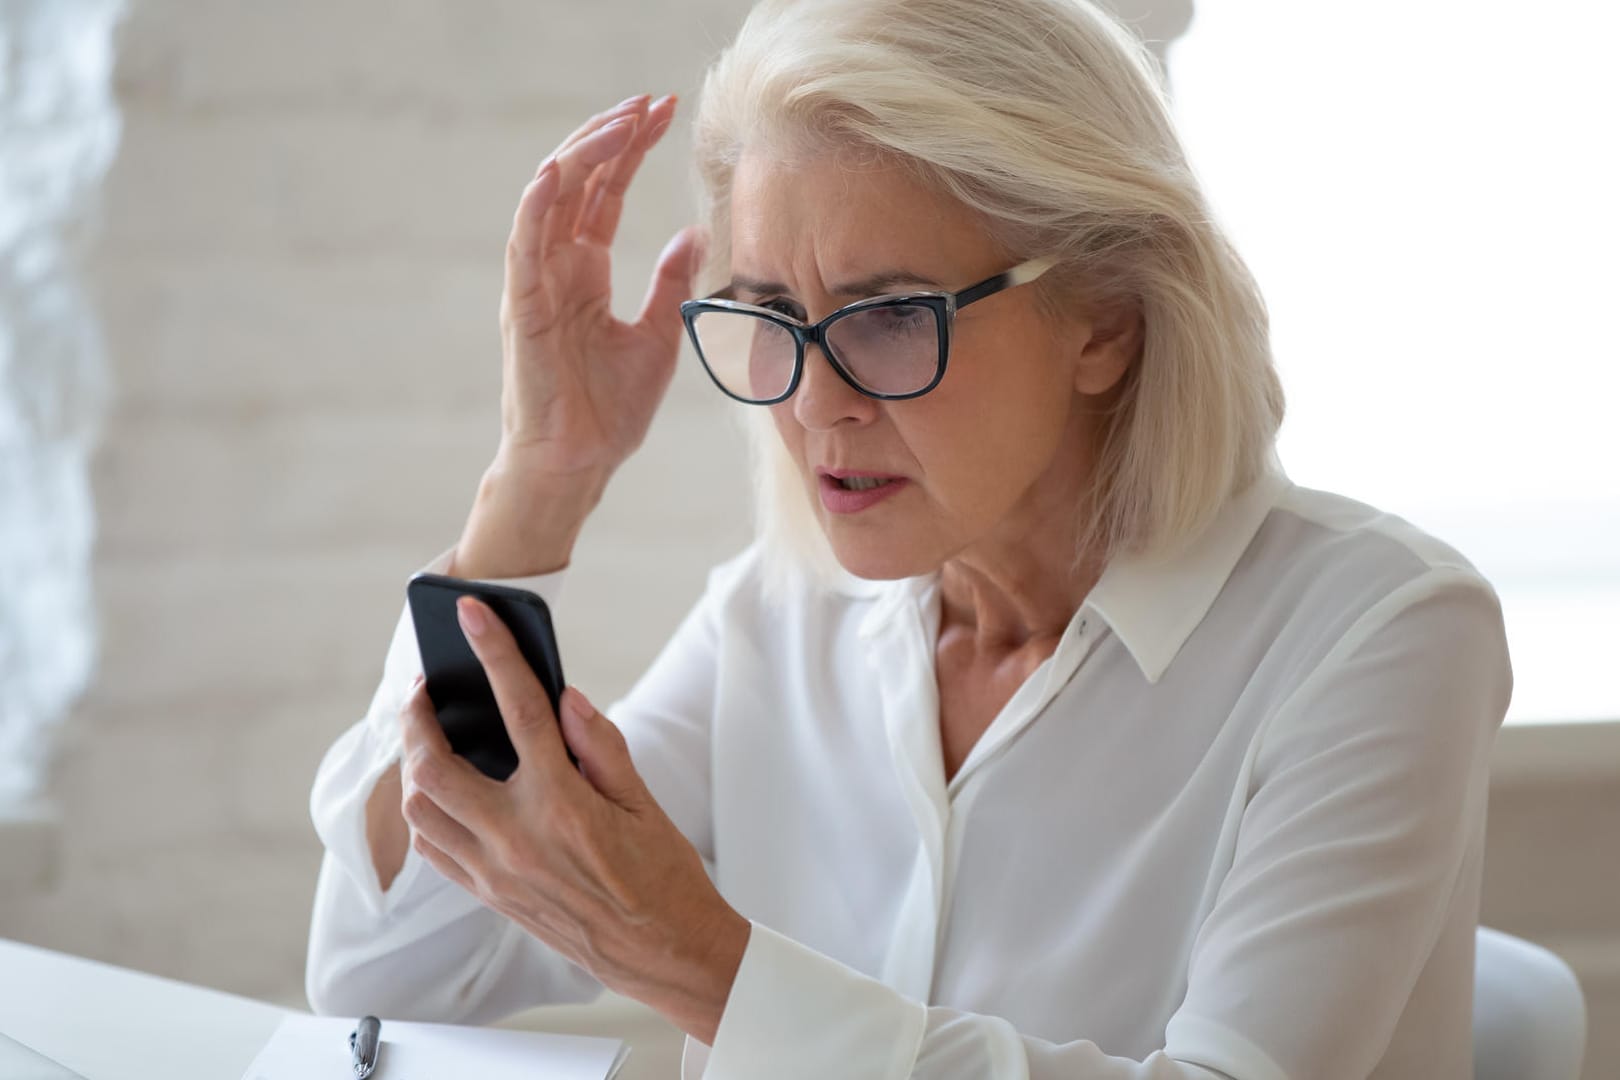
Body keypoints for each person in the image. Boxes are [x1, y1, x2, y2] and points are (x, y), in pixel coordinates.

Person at [303, 0, 1513, 1076]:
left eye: (887, 316)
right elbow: (392, 972)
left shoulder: (1378, 635)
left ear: (1105, 320)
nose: (814, 402)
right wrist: (541, 479)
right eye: (775, 313)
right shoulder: (777, 624)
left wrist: (708, 969)